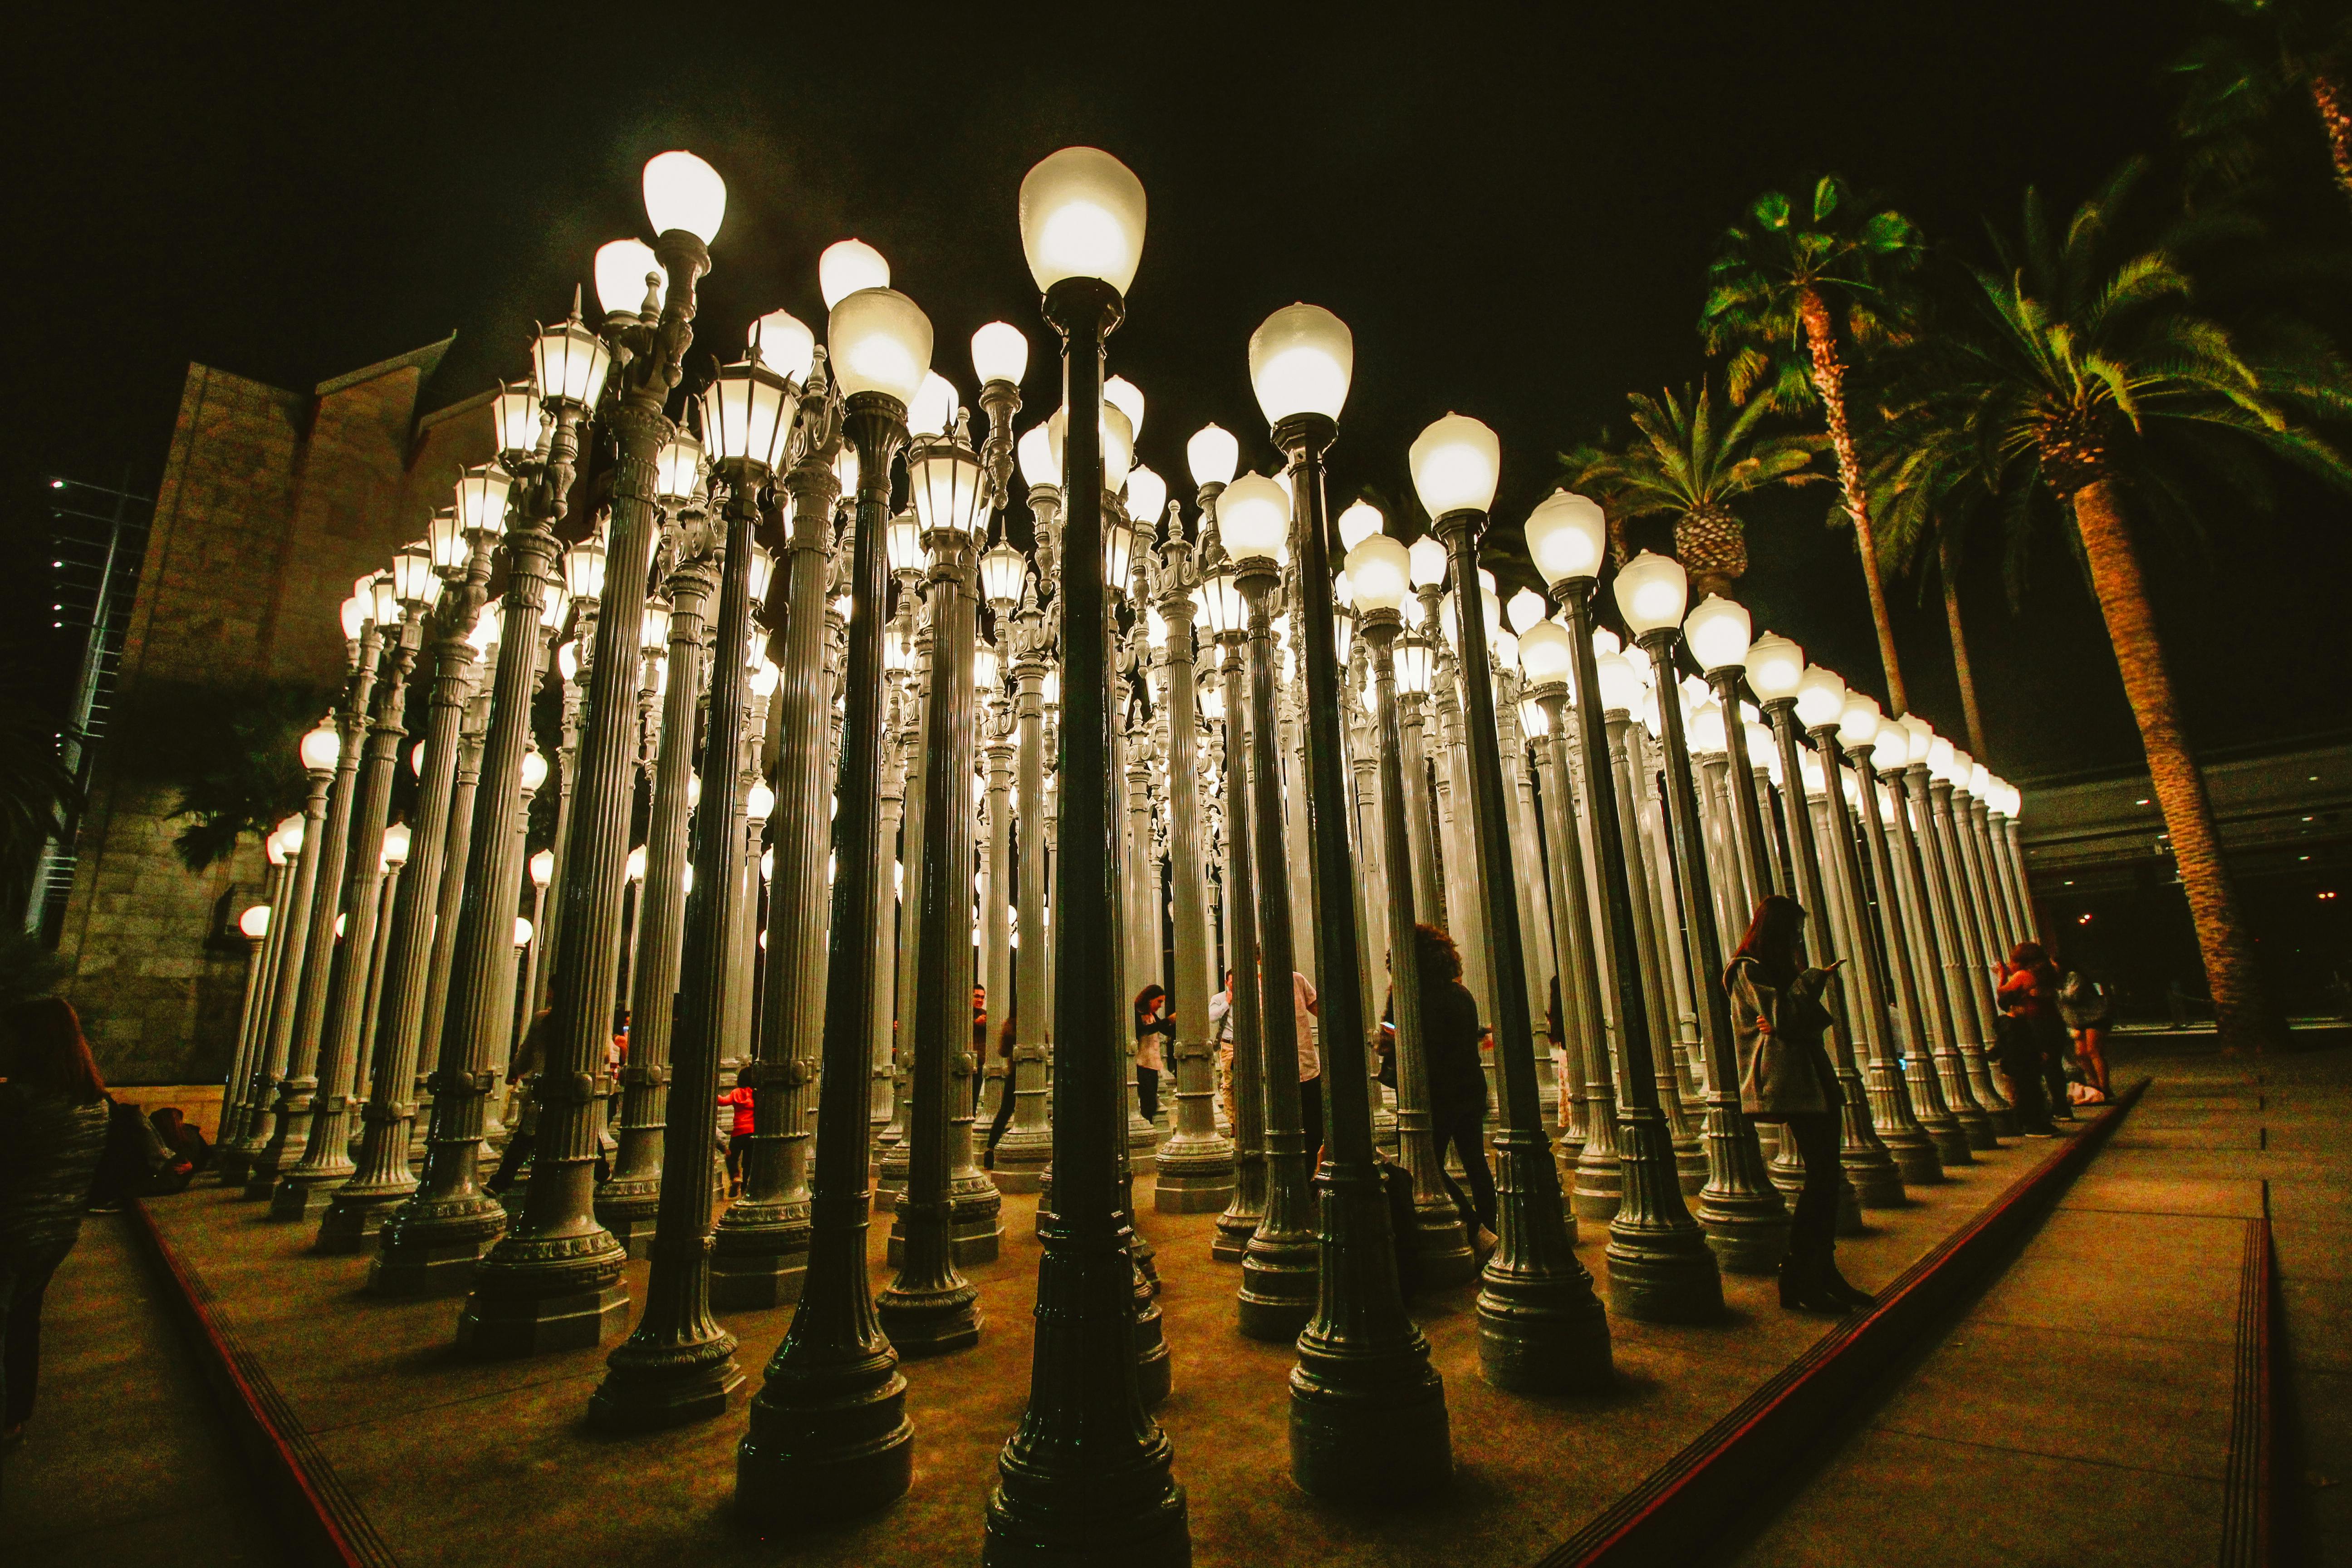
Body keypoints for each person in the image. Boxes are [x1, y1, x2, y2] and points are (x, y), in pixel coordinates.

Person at [1725, 894, 1871, 1312]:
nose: (1798, 939)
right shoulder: (1747, 970)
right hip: (1793, 1083)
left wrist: (1791, 1015)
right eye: (1793, 931)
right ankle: (1801, 1276)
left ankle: (1820, 1272)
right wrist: (1811, 982)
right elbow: (1786, 1018)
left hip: (1814, 1080)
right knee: (1821, 1180)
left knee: (1825, 1181)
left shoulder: (1776, 971)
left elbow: (1810, 1022)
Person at [0, 998, 113, 1446]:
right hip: (58, 1231)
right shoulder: (95, 1103)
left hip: (10, 1229)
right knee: (24, 1320)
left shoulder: (17, 1102)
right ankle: (15, 1416)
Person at [1411, 924, 1495, 1244]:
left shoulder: (1425, 999)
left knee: (1425, 1163)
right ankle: (1491, 1226)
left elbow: (1428, 1047)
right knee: (1476, 1163)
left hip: (1443, 1094)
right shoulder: (1461, 993)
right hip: (1471, 1088)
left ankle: (1476, 1228)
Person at [1999, 942, 2072, 1129]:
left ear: (2021, 962)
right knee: (2054, 1066)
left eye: (2012, 960)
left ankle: (2040, 1111)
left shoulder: (2024, 976)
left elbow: (2003, 997)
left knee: (2034, 1067)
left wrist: (2002, 976)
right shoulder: (2049, 974)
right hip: (2054, 1023)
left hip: (2035, 1024)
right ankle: (2062, 1108)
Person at [490, 1009, 551, 1194]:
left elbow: (528, 1050)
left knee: (525, 1135)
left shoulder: (543, 1019)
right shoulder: (583, 1018)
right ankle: (603, 1173)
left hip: (543, 1086)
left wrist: (516, 1070)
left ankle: (501, 1181)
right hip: (564, 1087)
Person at [2057, 962, 2113, 1102]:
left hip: (2095, 1016)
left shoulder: (2073, 977)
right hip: (2079, 1021)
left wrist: (2054, 991)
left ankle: (2104, 1087)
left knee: (2093, 1050)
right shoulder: (2055, 982)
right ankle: (2094, 1083)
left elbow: (2072, 996)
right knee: (2081, 1054)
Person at [1290, 969, 1323, 1169]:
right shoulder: (1251, 986)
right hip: (1272, 1072)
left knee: (1313, 1127)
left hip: (1306, 1065)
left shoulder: (1297, 980)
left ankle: (1311, 1175)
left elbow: (1318, 1007)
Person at [1133, 985, 1172, 1124]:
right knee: (1148, 1099)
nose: (1160, 1006)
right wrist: (1168, 1021)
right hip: (1141, 1063)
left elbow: (1164, 1029)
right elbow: (1145, 1031)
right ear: (1150, 1000)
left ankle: (1148, 1124)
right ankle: (1145, 1125)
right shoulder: (1137, 1014)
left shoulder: (1152, 1015)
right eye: (1159, 1002)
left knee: (1152, 1101)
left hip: (1152, 1064)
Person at [985, 1010, 1019, 1161]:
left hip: (1015, 1072)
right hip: (1035, 1074)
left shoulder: (1011, 1025)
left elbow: (1003, 1052)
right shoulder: (1036, 1023)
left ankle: (990, 1150)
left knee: (1005, 1111)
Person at [719, 1081, 756, 1195]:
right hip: (751, 1132)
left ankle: (735, 1176)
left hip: (738, 1132)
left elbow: (723, 1101)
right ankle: (745, 1188)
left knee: (731, 1156)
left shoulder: (736, 1093)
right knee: (748, 1162)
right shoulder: (754, 1094)